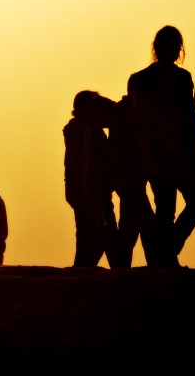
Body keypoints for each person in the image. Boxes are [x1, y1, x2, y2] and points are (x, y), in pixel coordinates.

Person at [127, 25, 195, 268]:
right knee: (165, 210)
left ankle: (166, 251)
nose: (173, 50)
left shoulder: (184, 78)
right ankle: (166, 257)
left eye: (176, 45)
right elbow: (138, 123)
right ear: (157, 47)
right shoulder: (141, 79)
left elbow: (191, 118)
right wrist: (148, 158)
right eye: (168, 44)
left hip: (184, 154)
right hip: (158, 155)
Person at [63, 90, 118, 267]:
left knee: (89, 235)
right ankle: (85, 270)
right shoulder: (86, 130)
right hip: (91, 196)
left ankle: (82, 270)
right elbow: (86, 166)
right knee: (104, 234)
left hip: (83, 194)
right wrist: (91, 196)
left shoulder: (76, 130)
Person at [108, 93, 157, 269]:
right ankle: (154, 262)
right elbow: (139, 141)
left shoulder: (122, 110)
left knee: (137, 221)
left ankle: (124, 264)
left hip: (129, 176)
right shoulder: (128, 111)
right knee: (139, 223)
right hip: (130, 176)